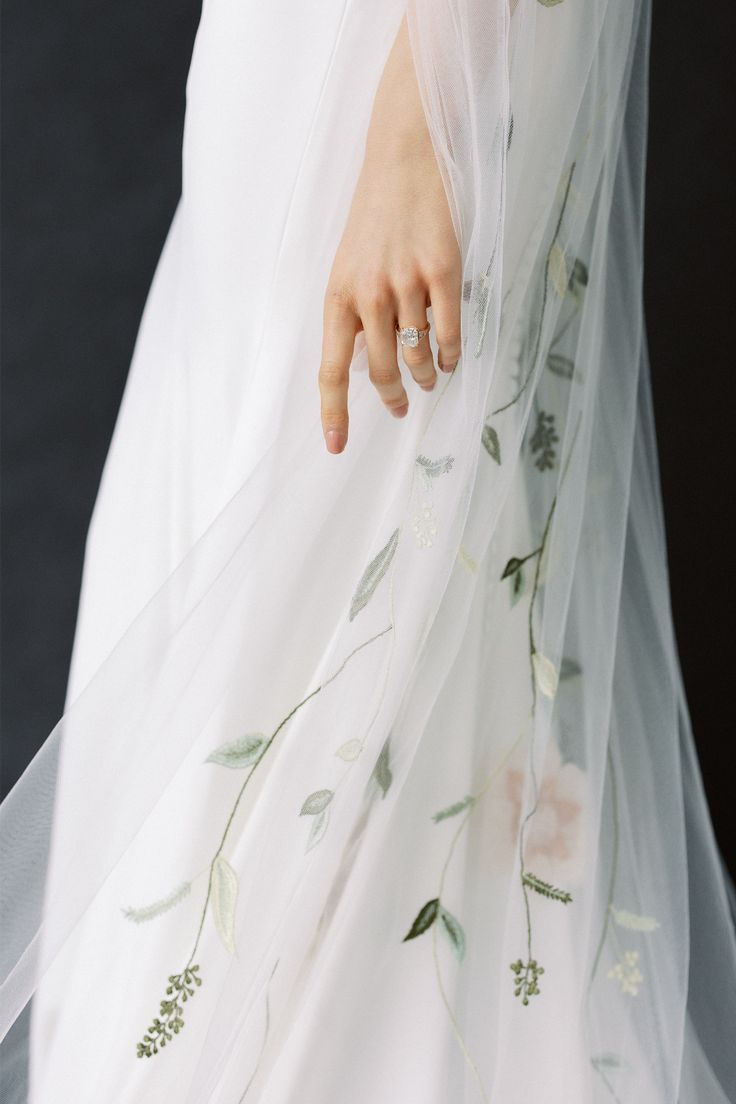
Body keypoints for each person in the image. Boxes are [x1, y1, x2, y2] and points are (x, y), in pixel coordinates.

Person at [1, 0, 734, 1100]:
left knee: (355, 661)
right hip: (294, 70)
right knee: (251, 600)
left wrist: (414, 128)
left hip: (409, 68)